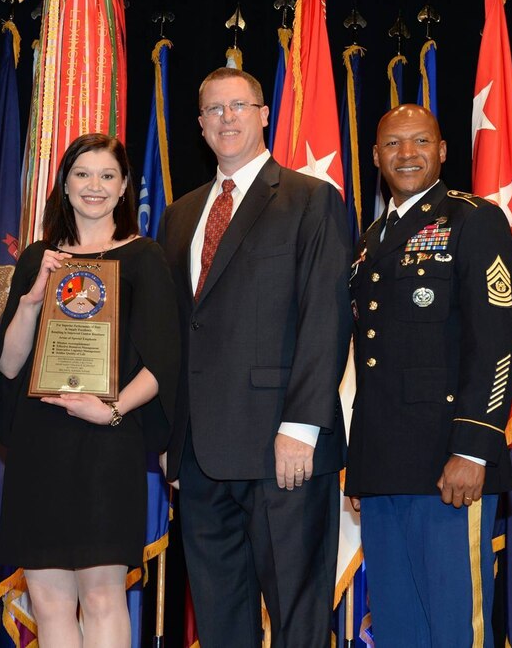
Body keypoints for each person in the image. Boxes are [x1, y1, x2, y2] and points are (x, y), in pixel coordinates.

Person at [157, 67, 351, 646]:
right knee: (220, 621)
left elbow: (326, 317)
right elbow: (173, 334)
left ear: (264, 114)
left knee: (297, 617)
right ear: (199, 125)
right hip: (199, 455)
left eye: (239, 106)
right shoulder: (180, 214)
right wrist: (172, 443)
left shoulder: (310, 199)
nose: (227, 118)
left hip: (281, 447)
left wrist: (302, 426)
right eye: (214, 110)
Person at [345, 104, 512, 646]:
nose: (406, 155)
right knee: (398, 627)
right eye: (393, 145)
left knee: (455, 627)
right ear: (375, 156)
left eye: (420, 142)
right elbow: (372, 359)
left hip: (449, 466)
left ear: (443, 151)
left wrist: (473, 450)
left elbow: (496, 343)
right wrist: (362, 464)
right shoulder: (371, 237)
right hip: (384, 469)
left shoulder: (475, 219)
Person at [0, 133, 179, 647]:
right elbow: (9, 366)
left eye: (106, 176)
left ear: (123, 190)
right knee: (49, 601)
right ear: (64, 185)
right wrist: (31, 301)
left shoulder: (145, 257)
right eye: (82, 174)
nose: (93, 186)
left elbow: (165, 362)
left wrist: (113, 410)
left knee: (101, 597)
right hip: (40, 443)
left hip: (106, 441)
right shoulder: (38, 259)